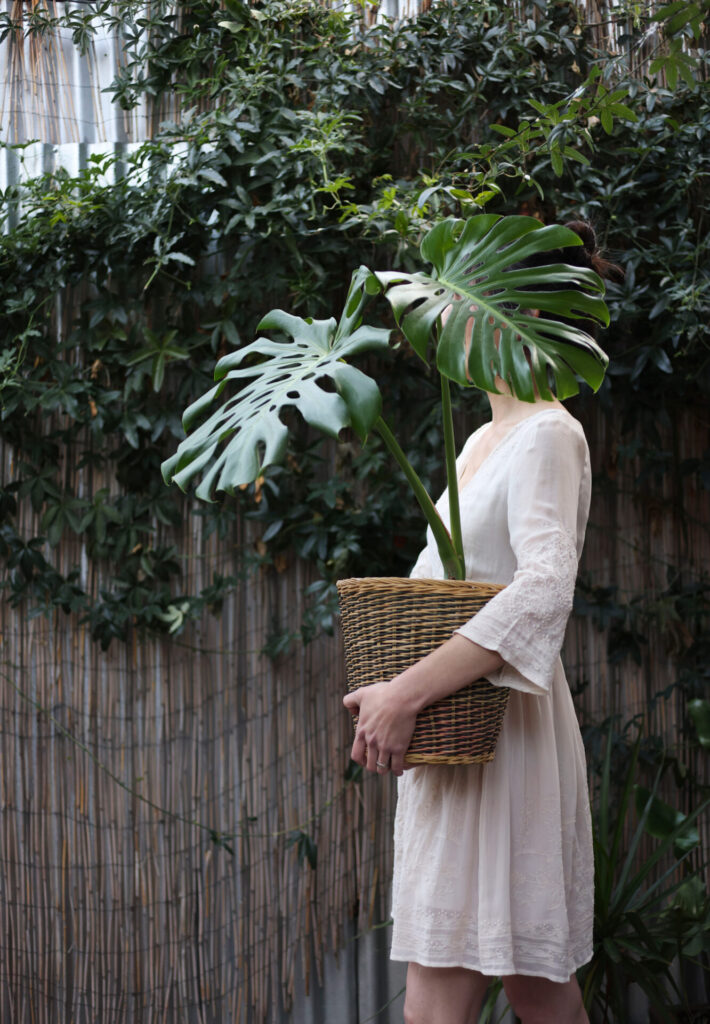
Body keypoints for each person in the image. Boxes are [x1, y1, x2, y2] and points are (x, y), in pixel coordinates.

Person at [343, 223, 622, 1024]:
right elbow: (450, 587)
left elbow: (542, 590)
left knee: (484, 980)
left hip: (506, 738)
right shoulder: (480, 441)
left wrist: (405, 692)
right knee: (525, 983)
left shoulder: (549, 432)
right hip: (458, 729)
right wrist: (398, 689)